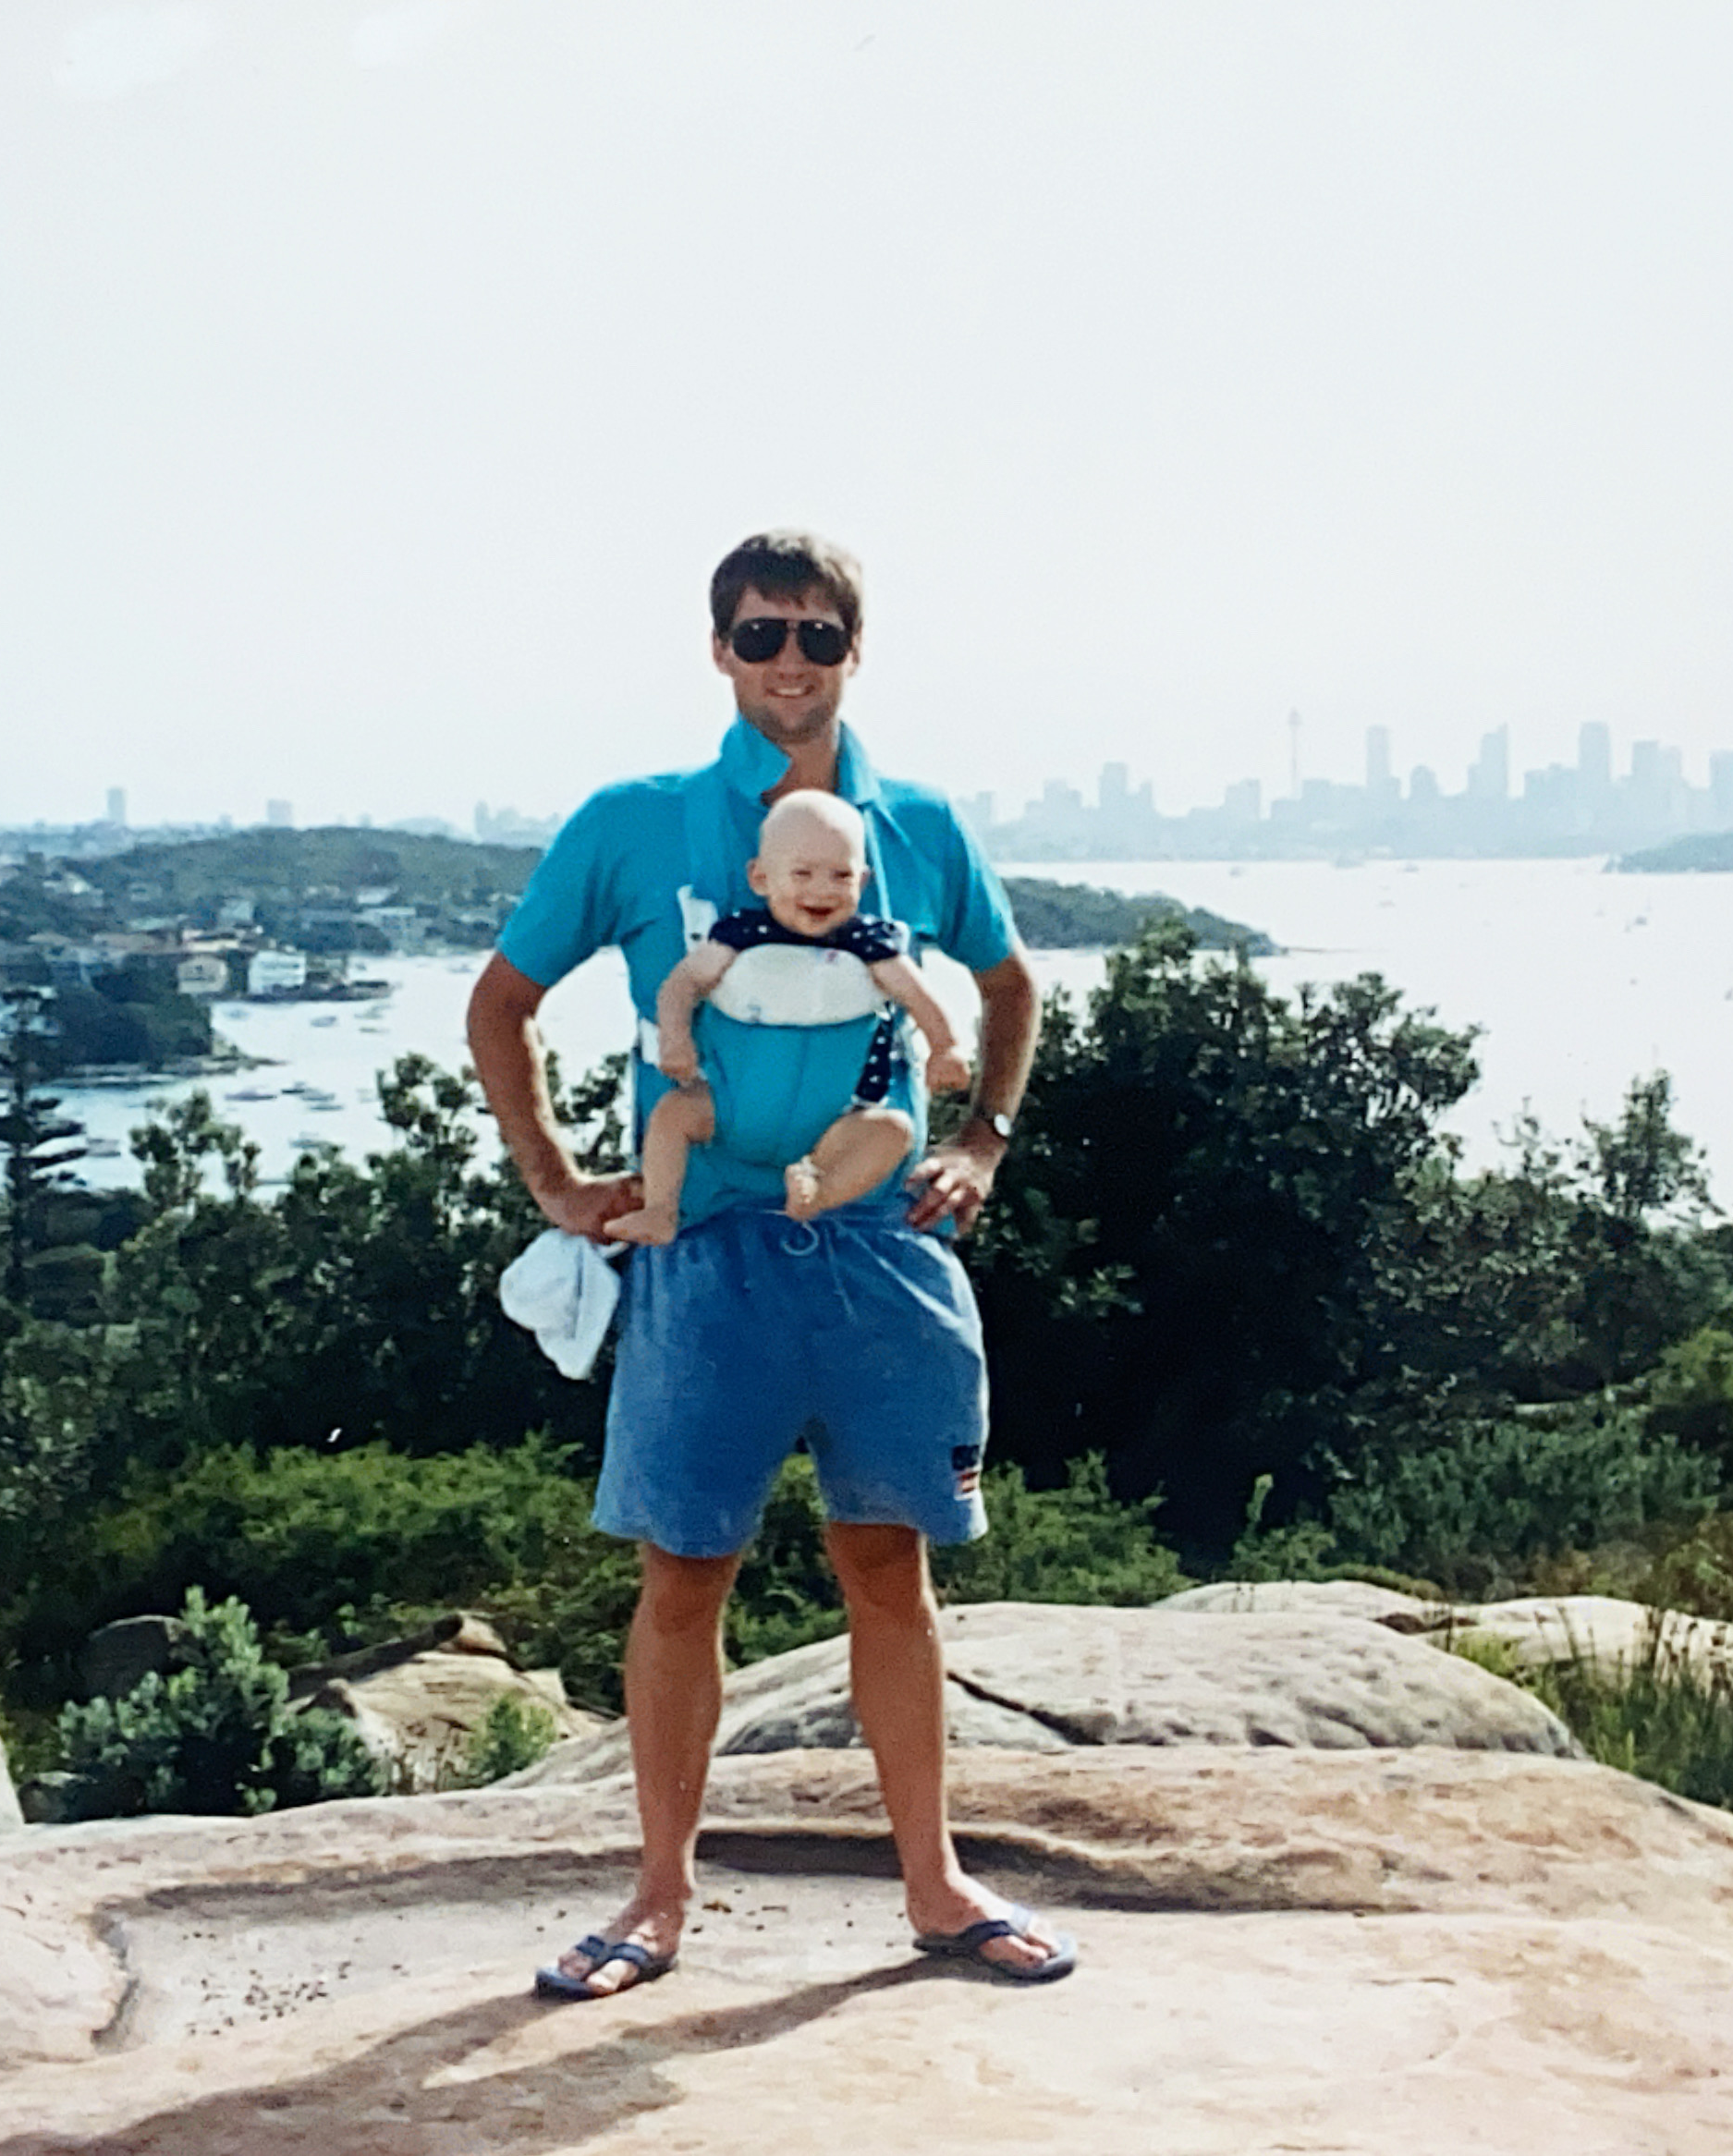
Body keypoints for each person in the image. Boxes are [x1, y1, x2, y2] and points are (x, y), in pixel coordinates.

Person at [464, 530, 1068, 1992]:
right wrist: (555, 1181)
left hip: (880, 1248)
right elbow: (501, 1002)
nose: (788, 661)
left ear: (855, 650)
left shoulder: (916, 825)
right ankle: (656, 1900)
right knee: (685, 1576)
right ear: (719, 649)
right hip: (708, 1253)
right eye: (759, 633)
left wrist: (983, 1139)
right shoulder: (638, 823)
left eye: (815, 634)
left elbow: (1005, 984)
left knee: (888, 1565)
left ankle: (936, 1886)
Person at [605, 788, 972, 1246]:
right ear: (760, 878)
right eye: (802, 873)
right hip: (732, 1109)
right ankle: (660, 1210)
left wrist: (946, 1047)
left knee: (894, 1132)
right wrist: (675, 1039)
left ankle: (818, 1191)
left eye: (840, 875)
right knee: (672, 1115)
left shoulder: (872, 946)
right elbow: (681, 985)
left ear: (862, 882)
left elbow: (919, 996)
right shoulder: (738, 936)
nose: (821, 889)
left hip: (837, 1121)